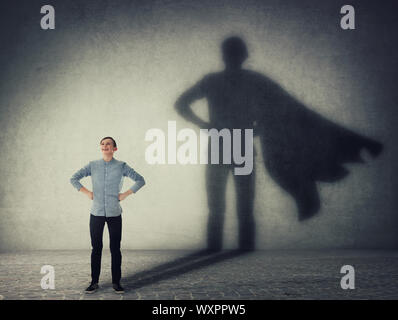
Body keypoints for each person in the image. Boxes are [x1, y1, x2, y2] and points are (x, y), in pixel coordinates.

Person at [70, 137, 145, 293]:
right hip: (96, 213)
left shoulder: (121, 166)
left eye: (108, 144)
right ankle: (94, 282)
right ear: (100, 148)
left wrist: (125, 194)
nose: (105, 146)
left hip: (114, 213)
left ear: (114, 149)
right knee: (96, 248)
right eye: (103, 144)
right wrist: (87, 192)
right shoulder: (92, 165)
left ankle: (116, 282)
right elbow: (74, 178)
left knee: (115, 248)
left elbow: (140, 180)